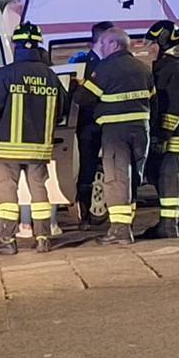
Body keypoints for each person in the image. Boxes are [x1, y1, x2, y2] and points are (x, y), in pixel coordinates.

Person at [0, 22, 67, 256]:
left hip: (10, 148)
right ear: (39, 46)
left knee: (8, 192)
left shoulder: (6, 74)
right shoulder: (51, 76)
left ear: (15, 45)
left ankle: (7, 240)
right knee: (39, 191)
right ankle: (43, 238)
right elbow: (62, 111)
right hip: (39, 148)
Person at [76, 27, 154, 246]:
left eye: (102, 44)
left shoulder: (105, 69)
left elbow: (84, 99)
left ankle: (119, 232)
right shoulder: (144, 68)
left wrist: (78, 86)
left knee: (117, 179)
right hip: (141, 130)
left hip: (115, 132)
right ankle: (126, 225)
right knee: (133, 179)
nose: (99, 48)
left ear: (114, 44)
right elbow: (153, 101)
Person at [142, 20, 179, 239]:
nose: (149, 48)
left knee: (168, 180)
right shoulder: (166, 67)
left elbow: (174, 106)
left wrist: (162, 134)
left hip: (172, 138)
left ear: (162, 43)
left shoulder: (175, 69)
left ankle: (169, 226)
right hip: (167, 136)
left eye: (153, 43)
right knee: (161, 179)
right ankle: (171, 223)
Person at [74, 20, 113, 229]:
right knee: (87, 170)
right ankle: (85, 215)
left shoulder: (111, 63)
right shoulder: (84, 64)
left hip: (109, 126)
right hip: (88, 127)